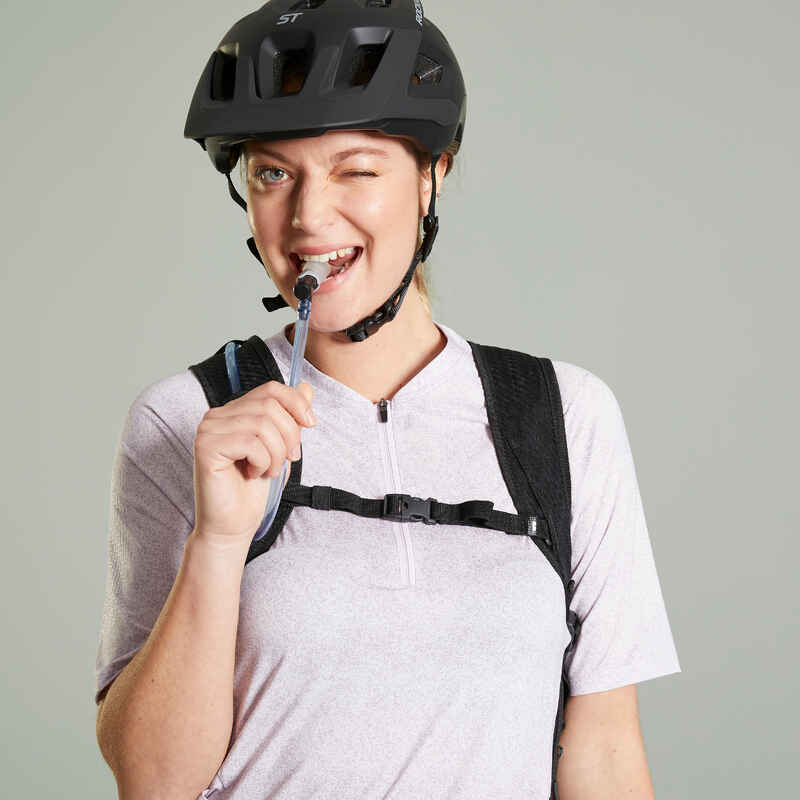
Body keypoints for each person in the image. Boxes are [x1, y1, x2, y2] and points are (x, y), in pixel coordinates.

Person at [94, 2, 681, 799]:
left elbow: (605, 752)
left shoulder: (564, 417)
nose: (308, 217)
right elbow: (152, 782)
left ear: (432, 175)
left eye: (356, 170)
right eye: (272, 173)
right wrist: (218, 542)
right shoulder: (185, 419)